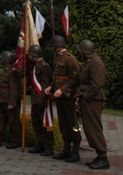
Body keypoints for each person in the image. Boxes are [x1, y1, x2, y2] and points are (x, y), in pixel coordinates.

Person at [45, 35, 81, 163]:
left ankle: (75, 151)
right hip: (60, 97)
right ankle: (66, 149)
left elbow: (75, 79)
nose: (51, 48)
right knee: (63, 124)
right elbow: (58, 77)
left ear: (56, 46)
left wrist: (62, 90)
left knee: (72, 124)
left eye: (52, 46)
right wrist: (51, 87)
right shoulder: (59, 58)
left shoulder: (70, 59)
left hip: (69, 97)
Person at [76, 39, 110, 170]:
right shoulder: (90, 62)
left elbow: (97, 83)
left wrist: (86, 96)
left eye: (81, 52)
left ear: (85, 52)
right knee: (90, 128)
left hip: (93, 100)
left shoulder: (96, 63)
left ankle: (103, 157)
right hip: (90, 100)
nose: (80, 54)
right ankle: (100, 156)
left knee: (94, 128)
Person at [0, 51, 21, 148]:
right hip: (3, 99)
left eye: (2, 59)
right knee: (1, 120)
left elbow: (14, 88)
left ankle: (16, 139)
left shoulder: (13, 71)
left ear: (6, 60)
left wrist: (12, 102)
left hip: (10, 100)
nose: (1, 61)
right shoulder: (7, 70)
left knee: (13, 121)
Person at [27, 44, 54, 156]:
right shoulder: (34, 66)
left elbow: (45, 84)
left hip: (41, 99)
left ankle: (48, 145)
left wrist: (42, 100)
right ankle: (40, 143)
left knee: (45, 124)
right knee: (36, 123)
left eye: (30, 55)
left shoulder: (45, 67)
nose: (28, 57)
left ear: (34, 55)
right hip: (35, 99)